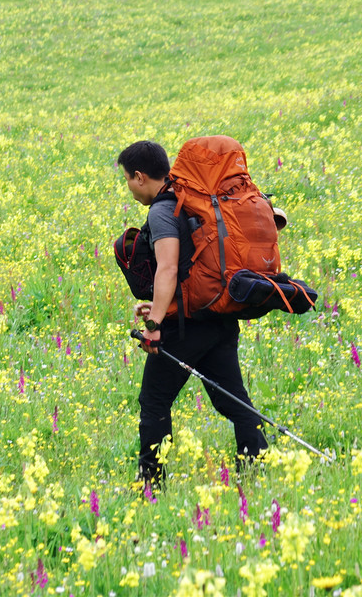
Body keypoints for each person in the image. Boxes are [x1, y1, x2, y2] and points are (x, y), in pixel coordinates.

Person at [117, 140, 268, 490]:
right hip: (220, 314)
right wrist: (156, 307)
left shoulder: (162, 210)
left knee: (154, 401)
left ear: (139, 176)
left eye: (127, 179)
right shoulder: (194, 202)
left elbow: (168, 269)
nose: (127, 186)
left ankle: (151, 484)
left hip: (187, 328)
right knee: (232, 398)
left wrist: (154, 325)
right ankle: (257, 466)